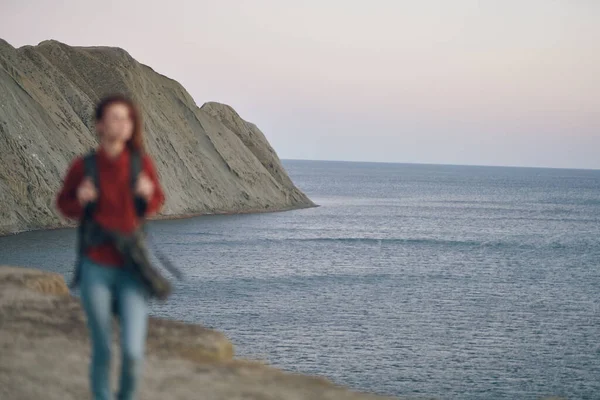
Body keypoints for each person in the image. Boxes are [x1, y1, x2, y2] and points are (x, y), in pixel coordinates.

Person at [56, 94, 165, 400]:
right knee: (103, 347)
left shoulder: (140, 164)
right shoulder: (84, 166)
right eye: (115, 117)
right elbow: (63, 204)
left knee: (132, 352)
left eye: (127, 118)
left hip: (132, 266)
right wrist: (79, 199)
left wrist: (147, 194)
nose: (122, 124)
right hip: (96, 266)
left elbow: (155, 203)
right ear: (99, 125)